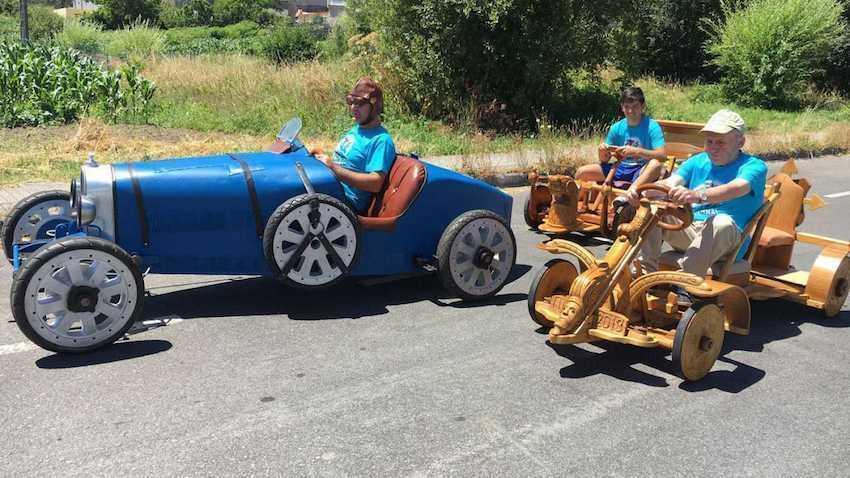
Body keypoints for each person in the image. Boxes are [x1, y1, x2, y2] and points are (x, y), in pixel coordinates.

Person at [635, 109, 768, 276]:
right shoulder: (698, 161)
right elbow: (671, 183)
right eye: (709, 141)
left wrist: (697, 195)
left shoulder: (754, 166)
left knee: (720, 222)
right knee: (652, 208)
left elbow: (736, 188)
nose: (713, 148)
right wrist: (642, 192)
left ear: (740, 142)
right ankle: (644, 276)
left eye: (720, 142)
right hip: (690, 228)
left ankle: (686, 285)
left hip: (728, 241)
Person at [315, 77, 397, 214]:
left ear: (374, 106)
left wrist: (334, 169)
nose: (353, 107)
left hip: (346, 205)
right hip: (331, 189)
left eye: (359, 103)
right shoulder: (357, 129)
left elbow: (376, 183)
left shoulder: (381, 140)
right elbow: (344, 162)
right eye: (351, 102)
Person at [575, 86, 668, 197]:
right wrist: (602, 151)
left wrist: (636, 151)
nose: (630, 111)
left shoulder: (652, 126)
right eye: (627, 107)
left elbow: (662, 156)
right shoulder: (616, 127)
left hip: (641, 169)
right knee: (582, 172)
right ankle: (573, 205)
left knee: (656, 164)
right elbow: (604, 160)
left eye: (635, 106)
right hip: (619, 167)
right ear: (622, 108)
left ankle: (628, 196)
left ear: (642, 106)